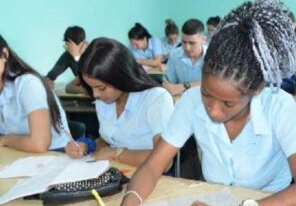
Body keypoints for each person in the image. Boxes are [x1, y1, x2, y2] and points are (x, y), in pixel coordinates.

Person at [96, 0, 296, 206]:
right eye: (207, 94)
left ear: (256, 90)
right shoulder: (191, 102)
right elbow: (152, 167)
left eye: (228, 103)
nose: (213, 111)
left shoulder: (279, 105)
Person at [0, 35, 71, 206]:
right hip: (17, 166)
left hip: (56, 165)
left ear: (4, 55)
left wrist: (5, 139)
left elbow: (39, 142)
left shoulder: (26, 84)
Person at [65, 38, 174, 167]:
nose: (95, 95)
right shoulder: (104, 99)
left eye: (101, 88)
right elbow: (110, 140)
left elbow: (165, 161)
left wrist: (117, 153)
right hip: (114, 172)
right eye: (91, 88)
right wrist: (85, 146)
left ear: (121, 77)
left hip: (150, 177)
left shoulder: (156, 99)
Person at [163, 19, 206, 96]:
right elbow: (167, 82)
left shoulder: (214, 56)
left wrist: (185, 86)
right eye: (183, 42)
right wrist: (168, 86)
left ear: (203, 40)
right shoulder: (175, 54)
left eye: (192, 43)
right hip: (181, 101)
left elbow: (217, 84)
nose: (187, 48)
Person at [45, 25, 87, 93]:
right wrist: (47, 81)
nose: (65, 46)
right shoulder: (68, 56)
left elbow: (90, 78)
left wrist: (77, 57)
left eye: (67, 44)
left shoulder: (92, 52)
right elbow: (51, 75)